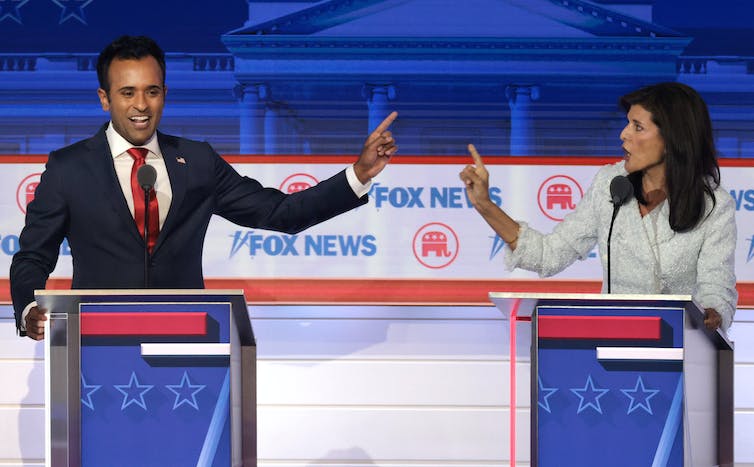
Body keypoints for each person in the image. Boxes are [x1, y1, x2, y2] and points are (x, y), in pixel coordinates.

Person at [11, 35, 398, 340]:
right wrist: (29, 309)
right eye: (127, 92)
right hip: (94, 342)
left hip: (185, 341)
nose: (141, 104)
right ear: (104, 99)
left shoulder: (196, 161)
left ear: (165, 94)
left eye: (152, 91)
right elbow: (32, 257)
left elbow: (281, 213)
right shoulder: (69, 168)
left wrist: (359, 173)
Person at [460, 82, 737, 331]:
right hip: (614, 346)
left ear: (672, 138)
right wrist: (486, 205)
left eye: (637, 127)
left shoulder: (714, 205)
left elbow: (716, 288)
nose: (623, 135)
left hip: (683, 352)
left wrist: (712, 316)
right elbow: (548, 255)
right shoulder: (611, 183)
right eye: (627, 124)